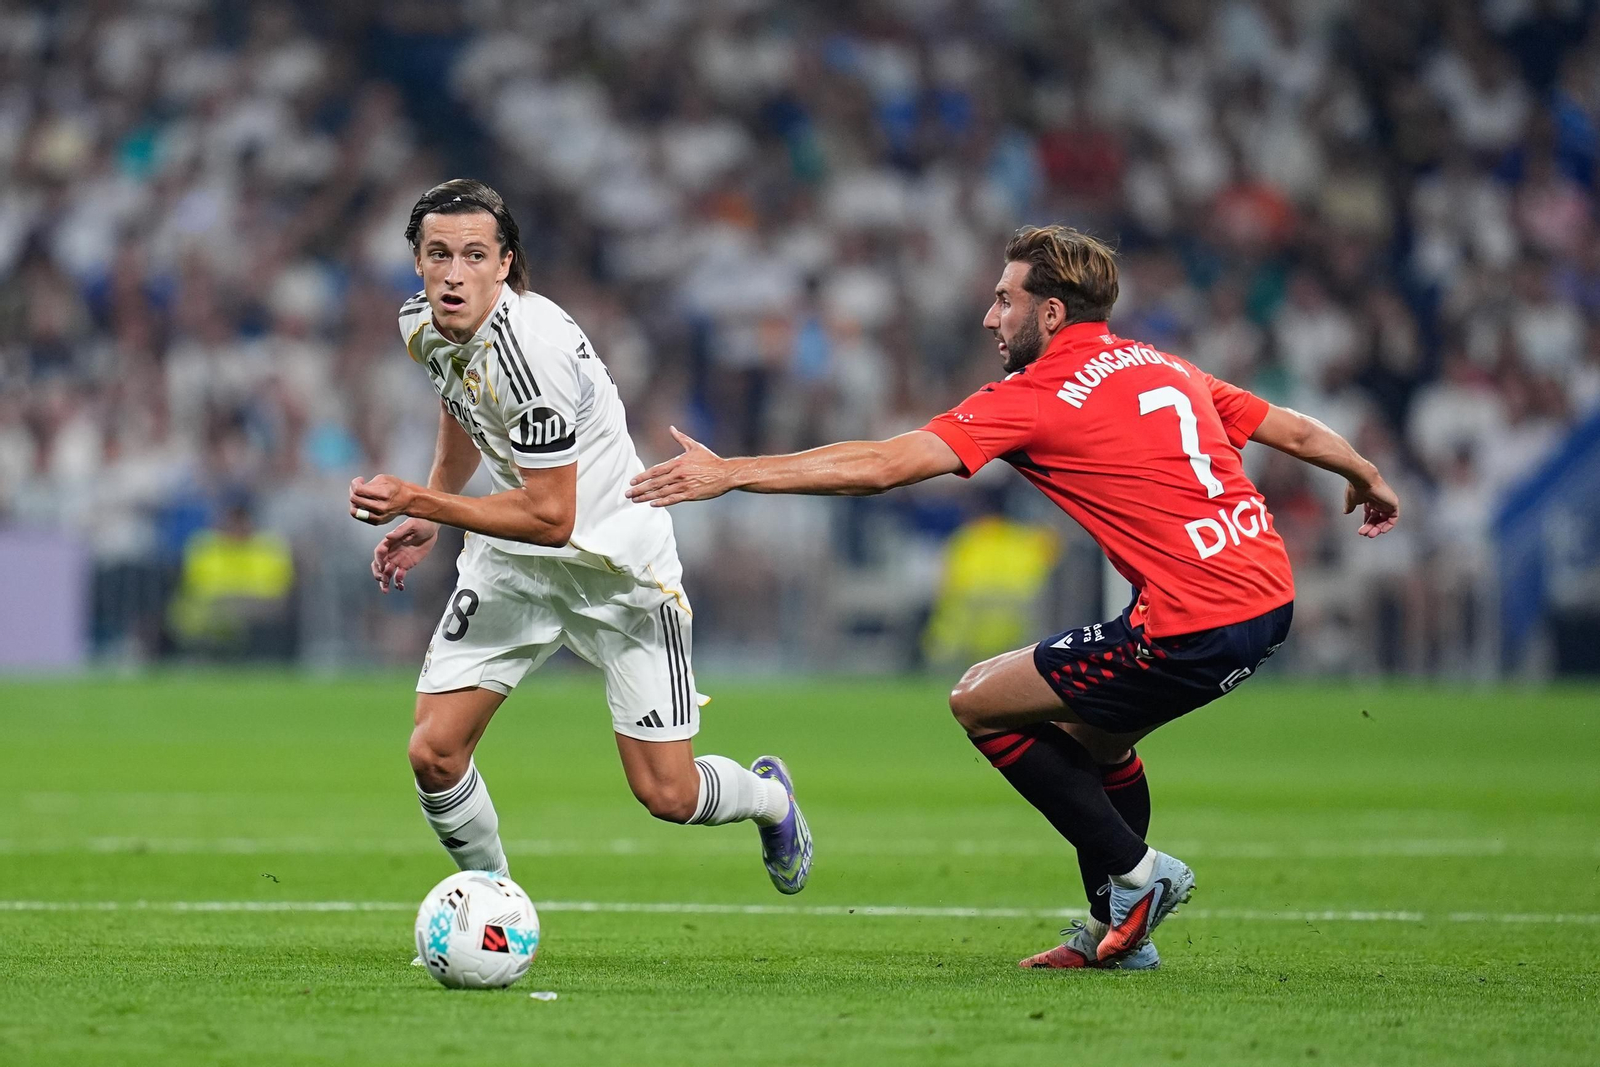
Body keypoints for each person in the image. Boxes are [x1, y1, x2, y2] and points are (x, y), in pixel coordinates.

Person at [628, 225, 1399, 969]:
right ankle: (1118, 930)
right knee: (1095, 739)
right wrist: (1364, 473)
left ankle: (1137, 874)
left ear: (1050, 312)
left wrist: (733, 472)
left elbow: (886, 463)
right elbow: (1290, 429)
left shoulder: (1035, 394)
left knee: (980, 699)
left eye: (1005, 299)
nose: (989, 315)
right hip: (1266, 598)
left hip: (1192, 618)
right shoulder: (1161, 366)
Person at [349, 179, 811, 903]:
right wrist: (437, 509)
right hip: (513, 566)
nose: (453, 271)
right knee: (434, 753)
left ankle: (769, 798)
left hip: (616, 568)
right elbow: (460, 400)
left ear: (505, 263)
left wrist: (418, 497)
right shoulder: (423, 324)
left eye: (474, 254)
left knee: (667, 791)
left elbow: (551, 516)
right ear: (417, 261)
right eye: (438, 254)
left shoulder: (534, 356)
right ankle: (493, 899)